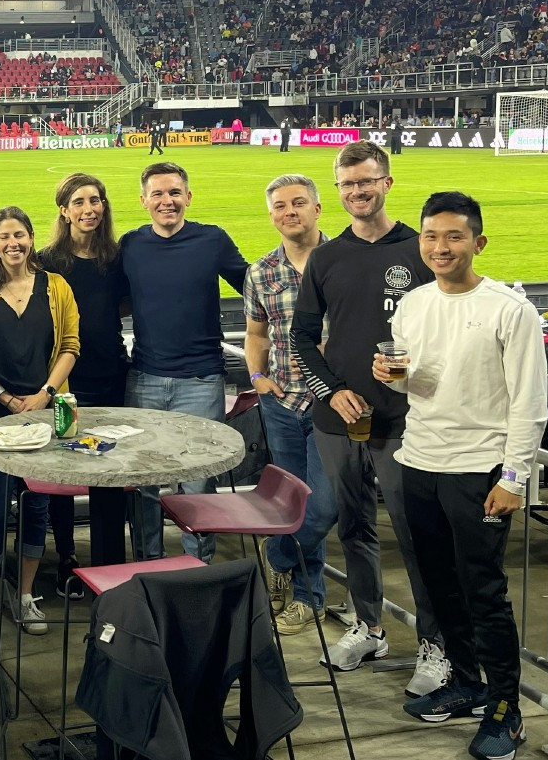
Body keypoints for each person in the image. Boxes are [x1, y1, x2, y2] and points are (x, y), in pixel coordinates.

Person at [378, 192, 546, 759]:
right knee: (439, 586)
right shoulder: (414, 303)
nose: (440, 247)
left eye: (453, 236)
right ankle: (468, 683)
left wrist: (514, 478)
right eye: (430, 236)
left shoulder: (509, 310)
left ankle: (507, 708)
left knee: (484, 592)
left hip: (479, 470)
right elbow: (412, 382)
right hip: (420, 461)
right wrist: (390, 376)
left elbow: (529, 405)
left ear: (478, 242)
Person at [291, 140, 445, 695]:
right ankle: (369, 625)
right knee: (353, 527)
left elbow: (448, 328)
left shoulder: (421, 251)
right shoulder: (327, 257)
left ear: (387, 182)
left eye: (367, 182)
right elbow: (302, 337)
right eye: (347, 185)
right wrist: (330, 392)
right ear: (339, 191)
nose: (358, 192)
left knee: (415, 531)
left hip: (409, 422)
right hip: (342, 420)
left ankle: (436, 643)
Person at [120, 162, 248, 562]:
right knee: (142, 483)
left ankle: (198, 566)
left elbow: (252, 285)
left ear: (188, 197)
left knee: (196, 484)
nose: (167, 201)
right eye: (157, 194)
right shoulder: (130, 244)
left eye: (174, 192)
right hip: (144, 381)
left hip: (201, 382)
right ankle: (149, 565)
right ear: (143, 201)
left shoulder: (212, 240)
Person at [0, 207, 79, 635]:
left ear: (31, 239)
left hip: (42, 413)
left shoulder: (57, 287)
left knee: (37, 505)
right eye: (4, 236)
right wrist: (4, 396)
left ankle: (26, 594)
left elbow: (70, 345)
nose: (13, 243)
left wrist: (44, 394)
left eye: (20, 235)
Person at [243, 174, 337, 636]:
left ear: (318, 209)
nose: (289, 212)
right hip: (282, 403)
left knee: (321, 507)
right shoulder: (262, 271)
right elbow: (256, 334)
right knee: (294, 502)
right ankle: (308, 599)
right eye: (280, 206)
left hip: (335, 404)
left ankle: (278, 553)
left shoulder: (346, 261)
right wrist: (258, 378)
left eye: (298, 203)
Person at [38, 173, 130, 580]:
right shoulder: (47, 261)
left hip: (112, 375)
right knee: (64, 470)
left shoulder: (116, 258)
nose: (88, 209)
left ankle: (109, 561)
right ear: (64, 210)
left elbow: (125, 304)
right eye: (78, 202)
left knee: (110, 471)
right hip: (66, 383)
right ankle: (67, 558)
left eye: (95, 200)